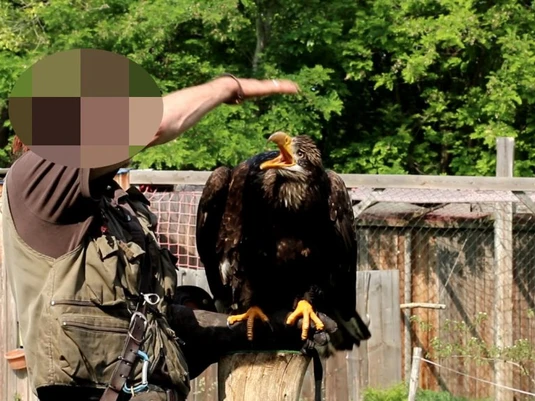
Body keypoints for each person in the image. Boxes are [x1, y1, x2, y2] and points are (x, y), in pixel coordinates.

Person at [1, 74, 337, 401]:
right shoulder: (39, 174)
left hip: (143, 386)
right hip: (94, 392)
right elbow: (153, 124)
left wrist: (259, 330)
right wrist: (226, 87)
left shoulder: (111, 204)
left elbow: (140, 318)